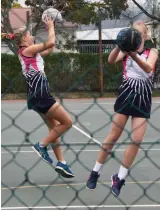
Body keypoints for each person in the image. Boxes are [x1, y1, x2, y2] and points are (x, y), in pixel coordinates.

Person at [86, 20, 158, 196]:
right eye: (134, 34)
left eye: (140, 35)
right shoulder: (126, 51)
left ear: (145, 36)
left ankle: (120, 177)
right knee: (114, 136)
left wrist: (133, 55)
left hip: (143, 97)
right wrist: (120, 45)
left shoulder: (152, 51)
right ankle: (95, 172)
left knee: (137, 140)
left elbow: (148, 68)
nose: (137, 37)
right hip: (127, 94)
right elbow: (111, 60)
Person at [2, 16, 75, 178]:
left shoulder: (30, 52)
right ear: (23, 41)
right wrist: (50, 26)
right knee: (67, 122)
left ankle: (62, 163)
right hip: (41, 95)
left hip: (35, 96)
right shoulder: (27, 50)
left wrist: (51, 34)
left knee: (54, 128)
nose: (32, 35)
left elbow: (48, 49)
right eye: (29, 35)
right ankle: (41, 145)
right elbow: (50, 44)